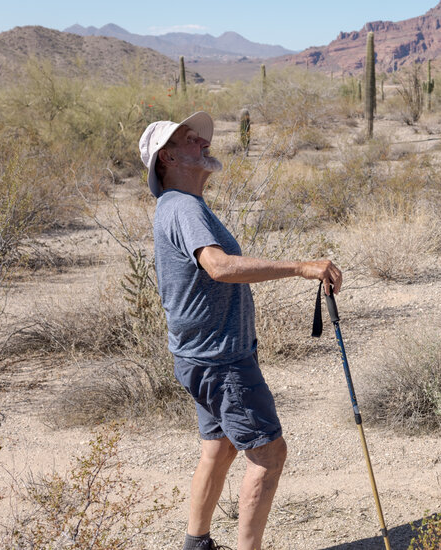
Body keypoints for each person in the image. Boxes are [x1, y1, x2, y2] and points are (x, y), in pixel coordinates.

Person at [139, 112, 342, 550]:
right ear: (167, 158)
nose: (202, 143)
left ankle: (197, 544)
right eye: (189, 140)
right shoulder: (184, 206)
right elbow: (219, 266)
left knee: (220, 447)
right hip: (219, 358)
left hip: (201, 354)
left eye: (199, 137)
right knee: (269, 455)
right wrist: (301, 267)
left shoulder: (179, 205)